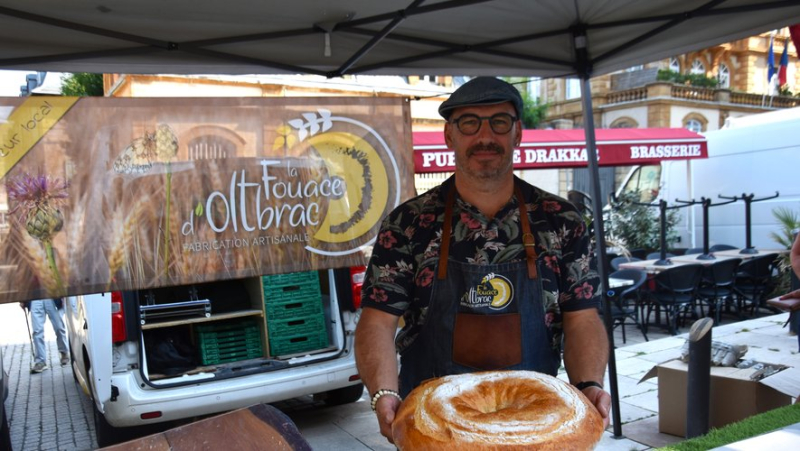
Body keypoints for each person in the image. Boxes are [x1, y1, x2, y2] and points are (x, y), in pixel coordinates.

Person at [354, 77, 611, 444]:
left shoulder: (561, 220)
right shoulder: (408, 224)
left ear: (517, 134)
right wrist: (383, 393)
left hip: (536, 427)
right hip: (435, 429)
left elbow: (583, 317)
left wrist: (588, 384)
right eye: (469, 122)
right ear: (449, 135)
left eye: (499, 122)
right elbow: (377, 322)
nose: (485, 136)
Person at [20, 298, 69, 373]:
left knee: (59, 327)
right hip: (34, 296)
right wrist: (22, 299)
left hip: (51, 295)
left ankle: (63, 351)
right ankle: (40, 361)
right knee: (37, 331)